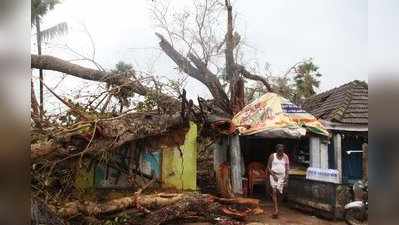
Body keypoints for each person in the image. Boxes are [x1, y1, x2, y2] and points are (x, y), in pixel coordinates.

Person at [267, 144, 290, 218]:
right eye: (279, 151)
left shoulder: (285, 157)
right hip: (273, 175)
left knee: (280, 193)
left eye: (282, 151)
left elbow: (287, 168)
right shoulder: (272, 156)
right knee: (274, 191)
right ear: (276, 150)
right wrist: (273, 175)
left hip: (282, 176)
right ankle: (276, 210)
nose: (281, 152)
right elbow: (268, 168)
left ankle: (277, 205)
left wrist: (286, 177)